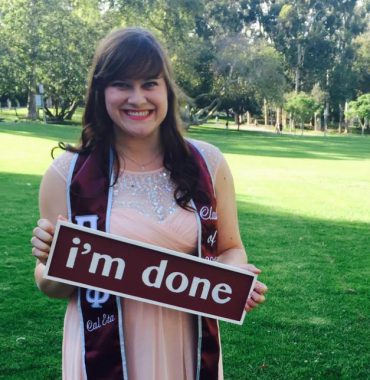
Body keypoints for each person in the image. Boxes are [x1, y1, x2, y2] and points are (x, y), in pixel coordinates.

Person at [31, 27, 267, 380]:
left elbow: (231, 248)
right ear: (100, 91)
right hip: (104, 349)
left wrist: (230, 275)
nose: (137, 98)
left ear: (167, 90)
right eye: (122, 84)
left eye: (149, 83)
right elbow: (51, 287)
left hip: (186, 344)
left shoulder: (209, 163)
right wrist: (54, 262)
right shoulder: (66, 175)